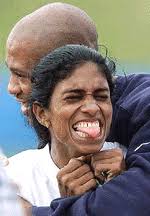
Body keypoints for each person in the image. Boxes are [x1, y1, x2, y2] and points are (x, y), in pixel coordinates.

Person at [5, 2, 150, 215]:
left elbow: (138, 200)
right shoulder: (15, 179)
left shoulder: (128, 156)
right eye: (73, 97)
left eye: (21, 75)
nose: (12, 88)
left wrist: (31, 213)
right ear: (42, 113)